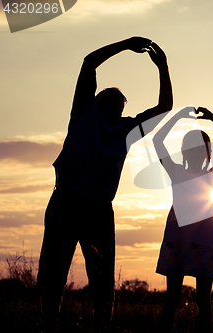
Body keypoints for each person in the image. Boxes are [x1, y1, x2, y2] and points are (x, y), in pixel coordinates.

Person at [36, 37, 173, 331]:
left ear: (123, 110)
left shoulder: (127, 130)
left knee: (101, 276)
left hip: (98, 210)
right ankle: (47, 323)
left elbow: (164, 107)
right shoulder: (84, 112)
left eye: (120, 102)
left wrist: (163, 66)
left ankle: (101, 325)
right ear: (97, 100)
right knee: (53, 272)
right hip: (66, 201)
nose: (115, 103)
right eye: (109, 97)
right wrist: (125, 44)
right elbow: (89, 62)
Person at [153, 106, 213, 333]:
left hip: (203, 241)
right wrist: (178, 117)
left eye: (201, 149)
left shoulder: (211, 175)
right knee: (173, 298)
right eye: (192, 148)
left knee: (202, 299)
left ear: (207, 153)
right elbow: (158, 141)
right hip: (177, 239)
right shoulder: (176, 171)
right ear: (184, 152)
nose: (196, 152)